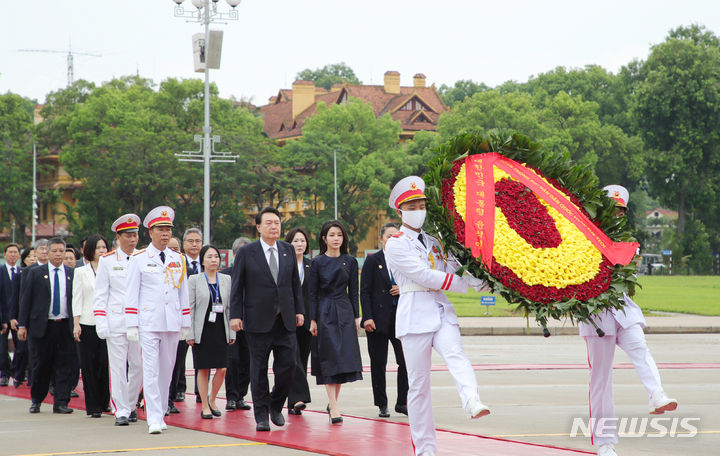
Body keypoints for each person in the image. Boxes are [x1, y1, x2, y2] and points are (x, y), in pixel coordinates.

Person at [384, 176, 490, 456]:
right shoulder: (395, 244)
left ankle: (472, 400)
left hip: (441, 310)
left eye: (422, 204)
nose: (419, 210)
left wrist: (483, 281)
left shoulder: (434, 241)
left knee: (457, 355)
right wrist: (466, 286)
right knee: (419, 387)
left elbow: (456, 266)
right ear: (400, 211)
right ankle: (425, 450)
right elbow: (423, 275)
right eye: (412, 205)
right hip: (414, 314)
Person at [581, 185, 678, 456]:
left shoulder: (629, 242)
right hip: (596, 315)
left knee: (640, 347)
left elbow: (625, 275)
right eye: (612, 210)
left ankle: (656, 394)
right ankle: (605, 442)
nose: (616, 215)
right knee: (601, 378)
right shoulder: (583, 237)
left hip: (623, 308)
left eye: (621, 210)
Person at [229, 207, 304, 432]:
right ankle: (261, 415)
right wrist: (235, 315)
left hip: (286, 320)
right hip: (257, 321)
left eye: (277, 223)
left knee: (289, 366)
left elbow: (294, 285)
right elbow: (237, 286)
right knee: (258, 369)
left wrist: (299, 310)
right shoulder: (247, 252)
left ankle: (275, 404)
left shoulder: (287, 250)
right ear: (259, 227)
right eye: (269, 223)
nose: (274, 226)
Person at [125, 206, 191, 434]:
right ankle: (153, 417)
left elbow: (183, 292)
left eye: (168, 230)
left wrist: (185, 323)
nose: (165, 234)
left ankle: (161, 411)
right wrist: (131, 323)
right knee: (151, 370)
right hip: (149, 322)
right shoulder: (139, 259)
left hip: (172, 322)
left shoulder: (178, 259)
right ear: (150, 232)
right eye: (161, 229)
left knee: (167, 370)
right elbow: (131, 292)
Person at [309, 220, 363, 424]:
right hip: (324, 312)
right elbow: (312, 293)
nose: (336, 239)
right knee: (329, 357)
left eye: (339, 235)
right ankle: (334, 405)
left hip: (345, 312)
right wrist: (313, 319)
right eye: (332, 235)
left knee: (342, 359)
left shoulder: (350, 261)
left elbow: (354, 291)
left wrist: (356, 317)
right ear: (324, 238)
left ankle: (333, 403)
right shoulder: (317, 262)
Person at [94, 214, 144, 427]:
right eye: (129, 236)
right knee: (117, 367)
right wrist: (101, 321)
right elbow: (101, 294)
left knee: (139, 366)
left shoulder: (143, 258)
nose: (133, 240)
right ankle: (121, 410)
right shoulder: (107, 261)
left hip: (140, 322)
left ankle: (131, 404)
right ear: (119, 237)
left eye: (135, 235)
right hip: (116, 320)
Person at [17, 237, 76, 414]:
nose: (58, 254)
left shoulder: (72, 273)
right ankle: (36, 400)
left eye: (61, 251)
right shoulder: (35, 273)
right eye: (54, 251)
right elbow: (25, 301)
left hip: (65, 325)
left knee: (64, 365)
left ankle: (61, 402)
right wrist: (22, 325)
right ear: (48, 252)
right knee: (41, 365)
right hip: (42, 327)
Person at [361, 222, 408, 418]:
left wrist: (403, 289)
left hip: (401, 319)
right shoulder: (373, 260)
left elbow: (416, 283)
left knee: (405, 362)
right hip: (378, 320)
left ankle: (401, 402)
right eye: (389, 236)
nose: (392, 239)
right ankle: (382, 403)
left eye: (396, 236)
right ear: (381, 239)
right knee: (378, 363)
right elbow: (364, 291)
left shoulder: (405, 260)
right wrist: (367, 317)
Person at [187, 245, 235, 419]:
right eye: (209, 257)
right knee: (203, 368)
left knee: (222, 368)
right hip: (202, 329)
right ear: (202, 260)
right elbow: (190, 308)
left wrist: (232, 332)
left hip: (220, 328)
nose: (213, 260)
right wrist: (189, 333)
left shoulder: (226, 279)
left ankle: (213, 398)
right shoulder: (194, 280)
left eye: (216, 256)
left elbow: (230, 308)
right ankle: (205, 405)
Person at [72, 234, 110, 418]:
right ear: (90, 251)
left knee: (104, 364)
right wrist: (76, 323)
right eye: (98, 248)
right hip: (87, 323)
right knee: (89, 365)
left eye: (104, 247)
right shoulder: (81, 272)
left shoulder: (111, 270)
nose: (102, 251)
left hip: (107, 323)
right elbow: (76, 299)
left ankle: (105, 402)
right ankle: (93, 406)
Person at [170, 228, 203, 407]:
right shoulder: (177, 263)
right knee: (179, 356)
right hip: (182, 317)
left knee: (202, 356)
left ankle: (200, 391)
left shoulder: (207, 262)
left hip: (203, 318)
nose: (194, 244)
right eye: (190, 241)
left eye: (197, 241)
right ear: (184, 244)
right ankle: (178, 389)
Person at [222, 237, 252, 412]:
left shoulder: (256, 274)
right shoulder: (225, 274)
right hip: (230, 324)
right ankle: (231, 397)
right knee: (232, 361)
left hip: (252, 324)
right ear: (234, 254)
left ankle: (241, 395)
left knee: (247, 362)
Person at [285, 228, 313, 415]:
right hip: (288, 318)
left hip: (308, 320)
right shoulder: (284, 265)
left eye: (302, 241)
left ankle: (292, 402)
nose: (299, 244)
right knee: (293, 359)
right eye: (296, 241)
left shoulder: (312, 266)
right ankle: (299, 398)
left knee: (302, 359)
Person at [1, 243, 25, 387]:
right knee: (2, 349)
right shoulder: (1, 271)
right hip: (3, 318)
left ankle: (17, 372)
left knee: (20, 347)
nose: (13, 255)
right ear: (4, 254)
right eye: (10, 252)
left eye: (15, 252)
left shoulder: (23, 272)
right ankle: (4, 374)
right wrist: (3, 320)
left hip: (17, 318)